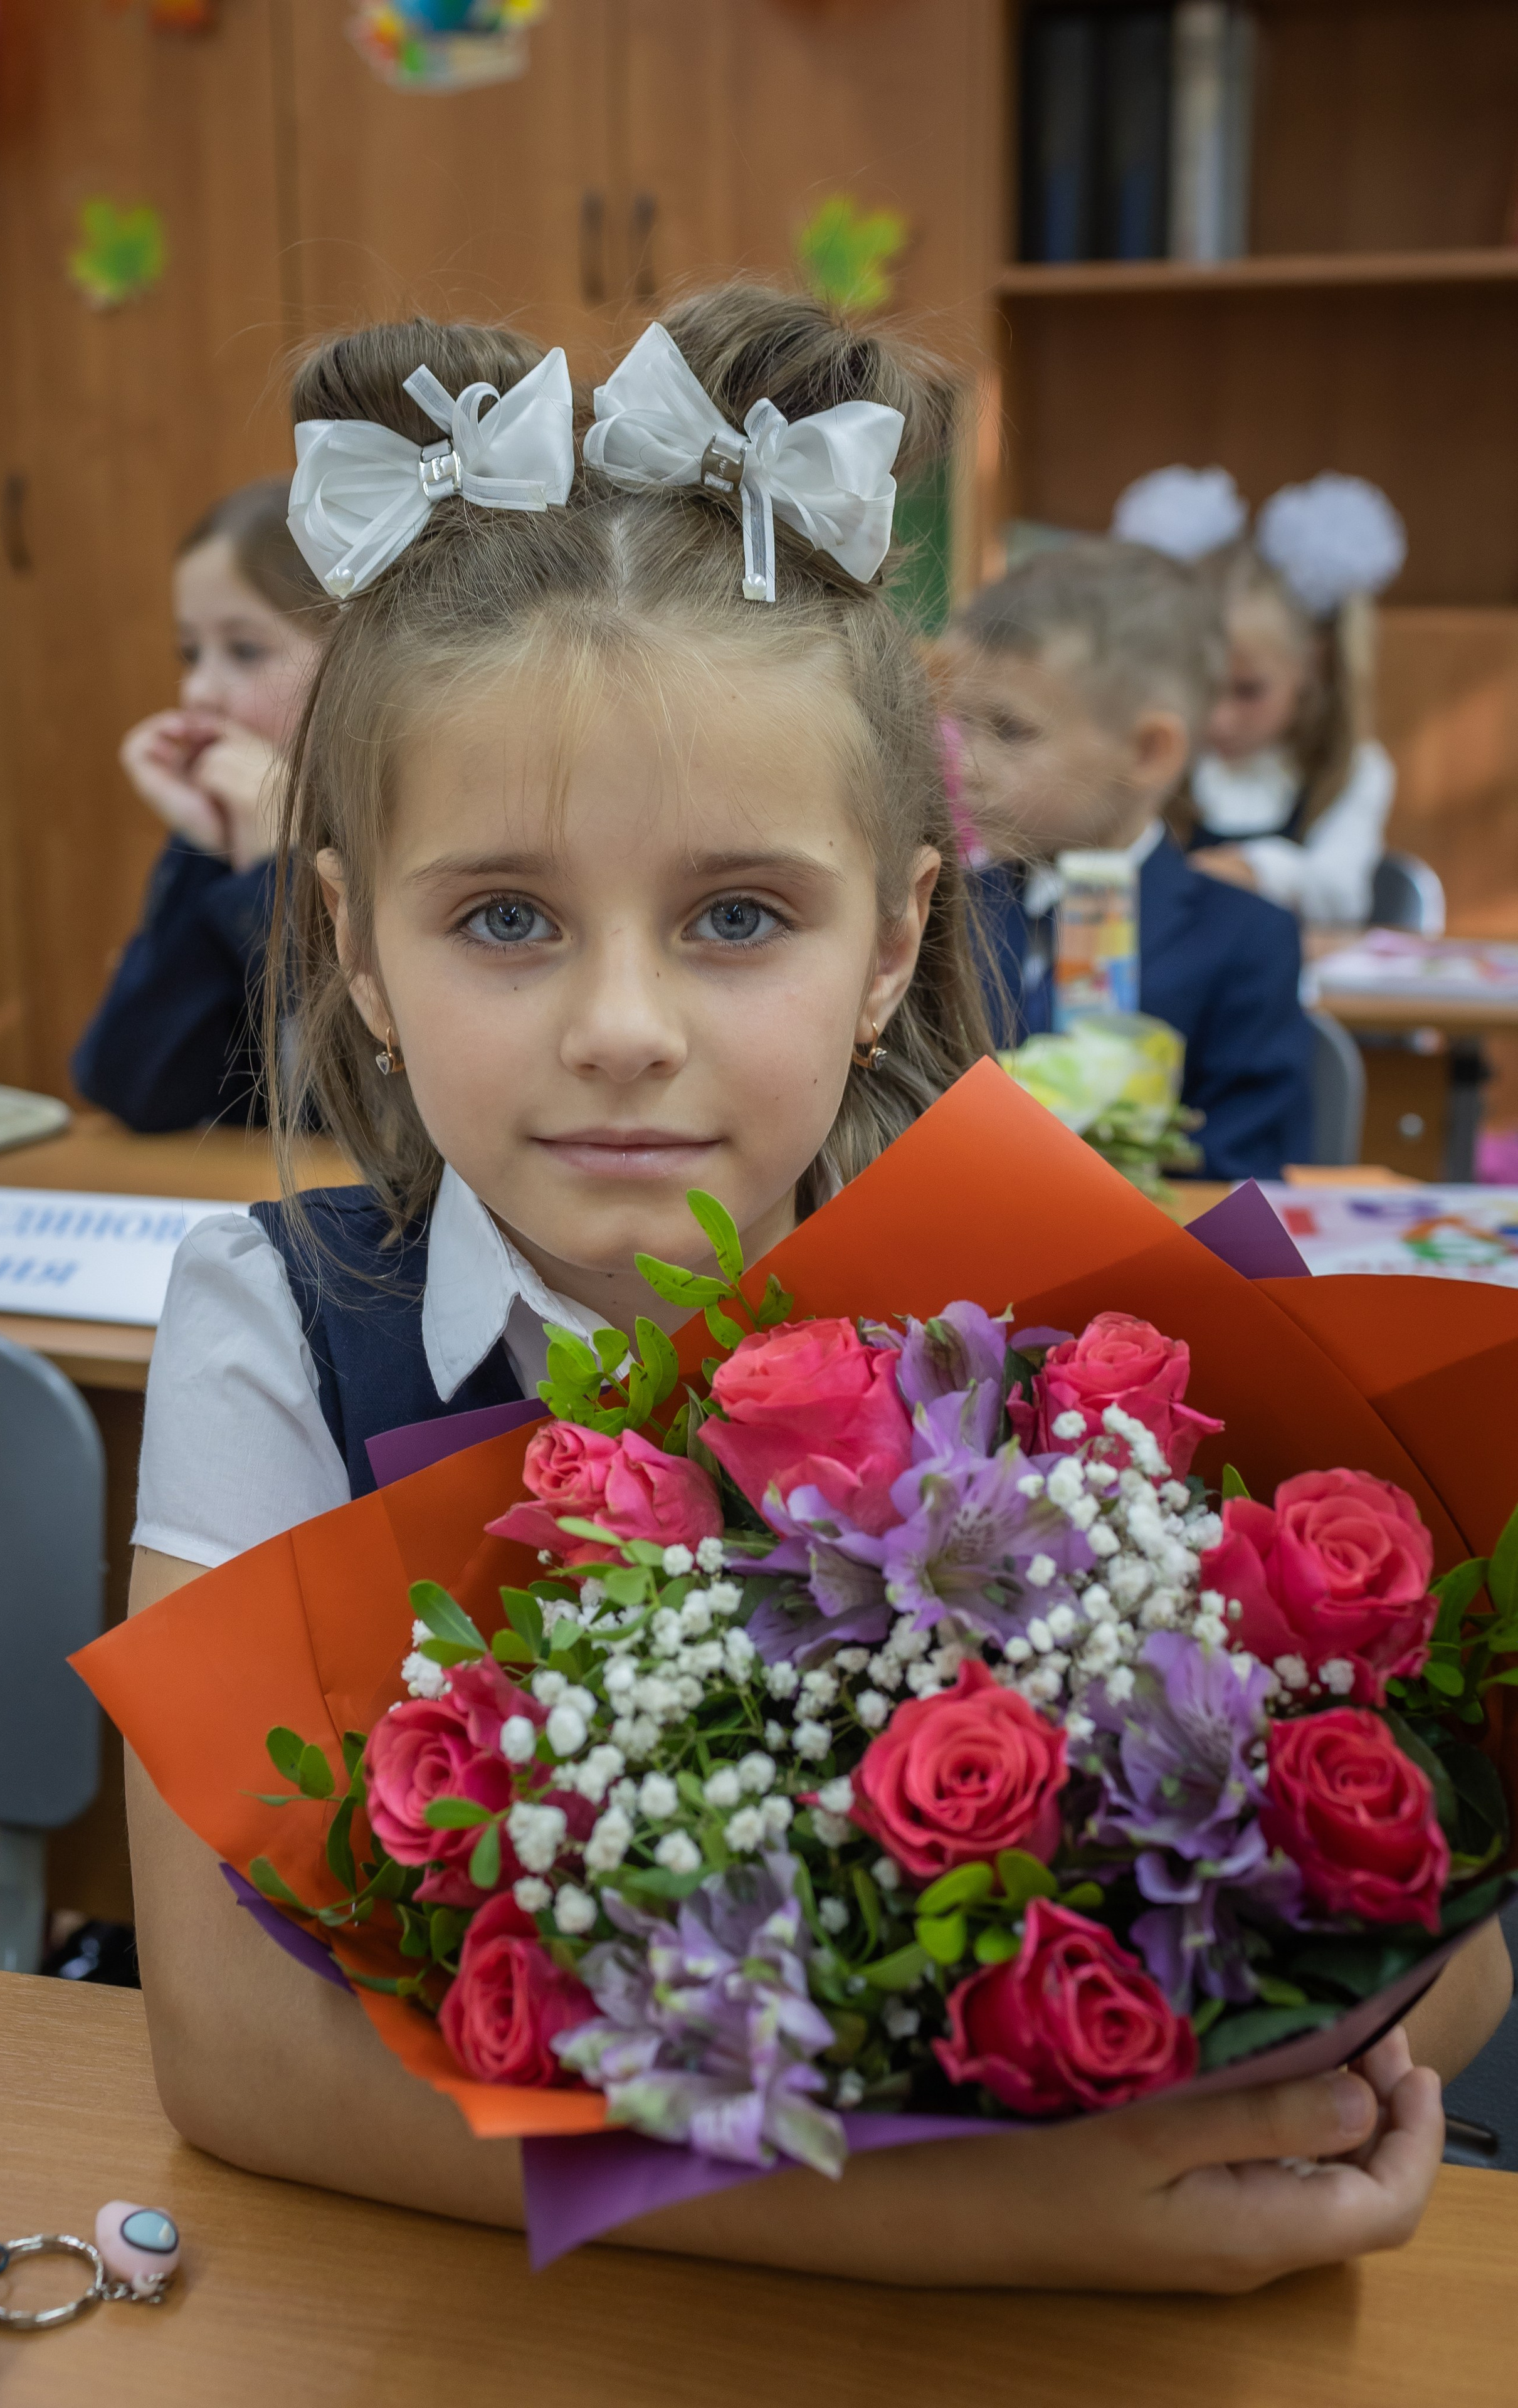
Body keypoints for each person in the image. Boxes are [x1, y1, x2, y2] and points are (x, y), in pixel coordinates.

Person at [125, 292, 1504, 2291]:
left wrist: (1309, 2084)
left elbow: (1446, 1971)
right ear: (348, 936)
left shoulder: (1056, 1334)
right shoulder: (271, 1316)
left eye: (737, 915)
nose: (619, 1026)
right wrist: (1007, 2220)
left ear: (892, 941)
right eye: (502, 914)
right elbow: (235, 2054)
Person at [939, 539, 1313, 1182]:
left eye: (1008, 730)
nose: (963, 762)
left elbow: (1241, 1176)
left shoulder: (1246, 943)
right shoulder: (938, 913)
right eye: (959, 724)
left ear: (1148, 752)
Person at [71, 478, 332, 1131]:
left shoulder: (414, 837)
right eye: (190, 652)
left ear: (361, 657)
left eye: (244, 650)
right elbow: (135, 1085)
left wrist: (280, 872)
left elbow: (359, 1110)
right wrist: (205, 845)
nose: (198, 691)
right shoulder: (230, 826)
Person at [1114, 466, 1406, 926]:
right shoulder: (1154, 753)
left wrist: (1256, 869)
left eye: (1248, 691)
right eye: (1204, 688)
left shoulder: (1355, 769)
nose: (1220, 720)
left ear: (1311, 666)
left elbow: (1341, 892)